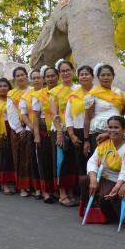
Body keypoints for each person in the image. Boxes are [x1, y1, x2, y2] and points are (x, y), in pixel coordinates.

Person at [79, 116, 125, 223]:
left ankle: (110, 216)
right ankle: (91, 215)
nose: (112, 130)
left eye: (116, 127)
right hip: (103, 177)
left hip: (118, 181)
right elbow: (92, 162)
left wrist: (118, 185)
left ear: (124, 129)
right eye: (110, 127)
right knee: (84, 180)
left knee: (103, 196)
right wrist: (93, 180)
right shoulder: (104, 144)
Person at [50, 59, 80, 206]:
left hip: (75, 128)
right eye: (63, 71)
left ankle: (70, 191)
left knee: (72, 162)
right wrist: (60, 132)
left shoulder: (79, 89)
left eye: (68, 70)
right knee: (61, 161)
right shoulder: (54, 91)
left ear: (73, 71)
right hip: (60, 129)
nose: (66, 73)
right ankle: (62, 193)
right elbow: (54, 113)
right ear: (59, 74)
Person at [83, 64, 125, 159]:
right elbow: (87, 118)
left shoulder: (119, 93)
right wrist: (86, 140)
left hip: (117, 131)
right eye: (103, 75)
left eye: (108, 75)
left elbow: (122, 113)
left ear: (113, 76)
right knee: (101, 159)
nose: (106, 77)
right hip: (98, 131)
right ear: (98, 77)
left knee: (117, 158)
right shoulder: (92, 94)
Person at [32, 66, 59, 204]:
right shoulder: (38, 95)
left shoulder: (62, 91)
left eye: (53, 75)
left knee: (56, 160)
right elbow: (35, 117)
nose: (50, 79)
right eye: (47, 76)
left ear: (57, 76)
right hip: (43, 128)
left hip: (58, 128)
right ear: (44, 79)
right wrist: (36, 135)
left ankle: (56, 189)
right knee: (44, 160)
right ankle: (46, 191)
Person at [7, 66, 31, 197]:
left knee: (31, 158)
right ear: (15, 79)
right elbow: (11, 113)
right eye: (18, 76)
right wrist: (19, 129)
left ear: (27, 76)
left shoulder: (32, 91)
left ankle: (32, 186)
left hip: (32, 129)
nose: (20, 77)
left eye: (23, 75)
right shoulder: (12, 94)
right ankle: (22, 187)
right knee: (19, 158)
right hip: (17, 130)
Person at [19, 69, 44, 198]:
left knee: (45, 160)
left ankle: (48, 188)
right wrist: (32, 127)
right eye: (34, 78)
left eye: (39, 77)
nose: (36, 80)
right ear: (31, 80)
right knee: (33, 160)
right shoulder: (26, 96)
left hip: (46, 130)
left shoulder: (48, 92)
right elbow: (23, 114)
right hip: (31, 130)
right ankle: (37, 188)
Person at [66, 65, 94, 179]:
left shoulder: (98, 92)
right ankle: (84, 192)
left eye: (86, 74)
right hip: (78, 132)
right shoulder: (73, 95)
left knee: (94, 162)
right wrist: (72, 135)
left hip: (94, 131)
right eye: (81, 74)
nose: (84, 76)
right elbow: (68, 117)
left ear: (92, 76)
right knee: (80, 162)